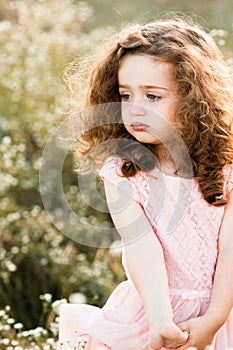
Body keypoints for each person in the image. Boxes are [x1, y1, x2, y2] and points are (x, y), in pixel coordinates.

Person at [58, 16, 233, 350]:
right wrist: (159, 319)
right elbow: (141, 246)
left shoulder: (227, 166)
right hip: (153, 309)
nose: (135, 110)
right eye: (125, 95)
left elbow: (230, 248)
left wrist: (214, 318)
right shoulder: (123, 170)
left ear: (194, 97)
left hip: (223, 308)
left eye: (153, 96)